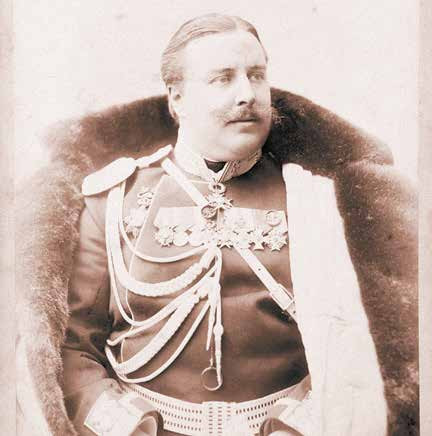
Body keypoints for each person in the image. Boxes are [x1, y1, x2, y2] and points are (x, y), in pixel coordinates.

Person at [16, 13, 418, 436]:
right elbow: (73, 346)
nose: (247, 94)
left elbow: (352, 345)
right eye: (222, 79)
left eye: (256, 75)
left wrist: (295, 428)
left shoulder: (315, 200)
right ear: (177, 99)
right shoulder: (114, 201)